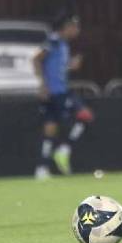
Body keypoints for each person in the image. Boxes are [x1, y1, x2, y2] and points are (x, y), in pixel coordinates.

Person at [34, 10, 94, 179]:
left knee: (50, 128)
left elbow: (55, 67)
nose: (77, 30)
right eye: (75, 26)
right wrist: (42, 84)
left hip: (55, 92)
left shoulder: (63, 45)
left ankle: (42, 168)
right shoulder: (53, 41)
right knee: (84, 116)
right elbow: (36, 58)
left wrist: (70, 66)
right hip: (57, 92)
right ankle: (64, 149)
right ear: (66, 27)